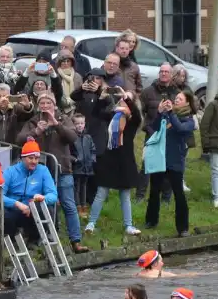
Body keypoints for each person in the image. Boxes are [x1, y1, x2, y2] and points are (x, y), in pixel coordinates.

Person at [17, 92, 88, 253]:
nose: (45, 106)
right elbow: (19, 139)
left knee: (69, 205)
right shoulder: (34, 120)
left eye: (48, 103)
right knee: (42, 205)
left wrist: (56, 124)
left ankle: (75, 241)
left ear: (54, 104)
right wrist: (35, 132)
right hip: (40, 171)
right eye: (42, 103)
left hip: (62, 168)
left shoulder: (63, 119)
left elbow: (72, 137)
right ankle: (43, 239)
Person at [84, 89, 142, 235]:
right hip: (110, 158)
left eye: (127, 99)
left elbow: (136, 113)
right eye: (122, 99)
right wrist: (101, 98)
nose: (123, 100)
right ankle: (91, 224)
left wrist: (126, 98)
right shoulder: (113, 116)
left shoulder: (133, 120)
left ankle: (128, 225)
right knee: (101, 192)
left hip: (125, 161)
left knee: (125, 195)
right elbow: (96, 113)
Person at [143, 91, 196, 237]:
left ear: (187, 103)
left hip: (175, 161)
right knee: (154, 190)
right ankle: (151, 221)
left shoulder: (189, 120)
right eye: (176, 98)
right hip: (161, 159)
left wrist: (171, 112)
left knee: (178, 193)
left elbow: (180, 128)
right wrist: (160, 113)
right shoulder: (167, 115)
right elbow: (153, 128)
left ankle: (183, 227)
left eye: (180, 99)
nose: (176, 100)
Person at [1, 139, 58, 243]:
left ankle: (34, 241)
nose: (34, 161)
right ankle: (11, 240)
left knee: (46, 209)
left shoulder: (43, 170)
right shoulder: (10, 171)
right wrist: (17, 204)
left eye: (36, 158)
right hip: (14, 209)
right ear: (22, 158)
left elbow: (53, 195)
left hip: (32, 208)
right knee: (4, 213)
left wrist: (43, 198)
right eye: (30, 158)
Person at [70, 113, 95, 216]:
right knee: (76, 187)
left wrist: (92, 159)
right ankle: (77, 206)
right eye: (77, 123)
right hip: (77, 167)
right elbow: (68, 152)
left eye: (81, 123)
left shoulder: (88, 137)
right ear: (73, 125)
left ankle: (84, 206)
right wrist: (74, 160)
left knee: (84, 186)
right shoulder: (72, 138)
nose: (79, 125)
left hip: (87, 167)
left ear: (84, 124)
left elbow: (92, 149)